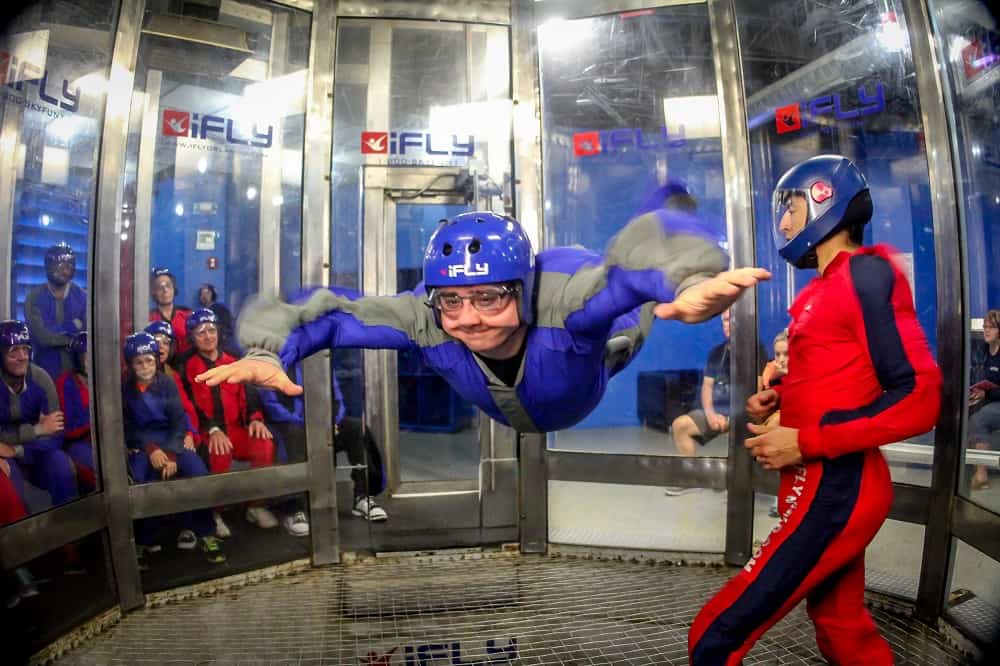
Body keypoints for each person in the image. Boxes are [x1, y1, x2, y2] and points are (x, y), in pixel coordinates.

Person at [196, 202, 770, 434]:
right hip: (535, 387)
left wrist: (690, 282)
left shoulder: (563, 305)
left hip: (594, 347)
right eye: (452, 300)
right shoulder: (426, 317)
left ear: (521, 289)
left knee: (617, 301)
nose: (468, 319)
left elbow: (629, 271)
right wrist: (269, 351)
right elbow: (329, 314)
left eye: (491, 298)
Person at [688, 155, 942, 665]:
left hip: (836, 489)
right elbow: (843, 378)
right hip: (819, 485)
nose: (782, 222)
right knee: (841, 625)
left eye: (791, 206)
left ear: (826, 198)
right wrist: (781, 397)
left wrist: (805, 439)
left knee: (715, 635)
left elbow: (919, 397)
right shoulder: (822, 287)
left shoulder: (865, 273)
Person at [121, 332, 225, 564]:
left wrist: (169, 454)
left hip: (172, 441)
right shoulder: (126, 389)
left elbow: (179, 420)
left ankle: (205, 531)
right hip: (144, 444)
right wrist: (151, 450)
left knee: (197, 471)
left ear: (156, 361)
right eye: (138, 362)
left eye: (149, 360)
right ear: (130, 364)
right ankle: (144, 539)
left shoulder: (167, 382)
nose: (145, 366)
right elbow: (128, 426)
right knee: (141, 479)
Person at [179, 309, 279, 532]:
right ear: (192, 337)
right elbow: (188, 404)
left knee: (264, 443)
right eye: (200, 332)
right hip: (207, 432)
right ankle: (215, 512)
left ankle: (256, 506)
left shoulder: (234, 360)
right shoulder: (186, 365)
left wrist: (255, 419)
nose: (207, 336)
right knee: (218, 451)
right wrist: (212, 429)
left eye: (211, 330)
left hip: (236, 428)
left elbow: (250, 393)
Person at [260, 362, 386, 525]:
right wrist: (305, 423)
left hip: (322, 424)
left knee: (354, 427)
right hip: (290, 426)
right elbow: (272, 406)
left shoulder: (319, 362)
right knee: (295, 434)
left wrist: (331, 421)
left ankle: (362, 496)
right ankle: (295, 509)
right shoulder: (271, 364)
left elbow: (336, 399)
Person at [669, 310, 768, 458]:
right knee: (680, 426)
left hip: (746, 414)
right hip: (719, 413)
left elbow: (758, 388)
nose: (728, 325)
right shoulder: (716, 353)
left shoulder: (756, 350)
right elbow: (707, 387)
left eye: (731, 320)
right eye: (725, 321)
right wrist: (711, 415)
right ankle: (691, 475)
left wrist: (735, 418)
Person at [0, 320, 74, 511]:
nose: (22, 356)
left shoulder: (41, 378)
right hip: (4, 456)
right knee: (10, 486)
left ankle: (68, 534)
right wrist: (38, 429)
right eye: (13, 351)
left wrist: (17, 449)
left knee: (61, 466)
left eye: (26, 349)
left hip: (34, 451)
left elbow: (56, 433)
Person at [24, 243, 87, 381]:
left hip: (76, 375)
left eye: (68, 267)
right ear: (48, 267)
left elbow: (86, 337)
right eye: (59, 266)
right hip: (44, 372)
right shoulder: (34, 297)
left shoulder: (82, 297)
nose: (63, 271)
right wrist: (71, 329)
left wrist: (54, 330)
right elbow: (43, 338)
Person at [54, 331, 96, 493]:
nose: (92, 361)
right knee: (98, 475)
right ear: (77, 359)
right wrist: (94, 421)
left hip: (106, 441)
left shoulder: (107, 379)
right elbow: (69, 428)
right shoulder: (65, 383)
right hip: (77, 444)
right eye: (87, 356)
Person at [968, 309, 1000, 490]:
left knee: (979, 419)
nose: (986, 331)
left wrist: (986, 394)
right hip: (986, 398)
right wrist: (974, 393)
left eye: (992, 327)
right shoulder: (982, 350)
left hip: (996, 401)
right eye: (984, 327)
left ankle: (981, 475)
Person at [149, 267, 193, 358]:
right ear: (153, 292)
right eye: (159, 287)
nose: (165, 291)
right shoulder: (149, 317)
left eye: (168, 286)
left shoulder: (187, 314)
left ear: (174, 289)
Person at [198, 283, 239, 356]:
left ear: (213, 294)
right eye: (202, 293)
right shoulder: (202, 313)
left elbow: (228, 327)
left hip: (226, 347)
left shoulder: (221, 308)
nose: (204, 295)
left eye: (207, 292)